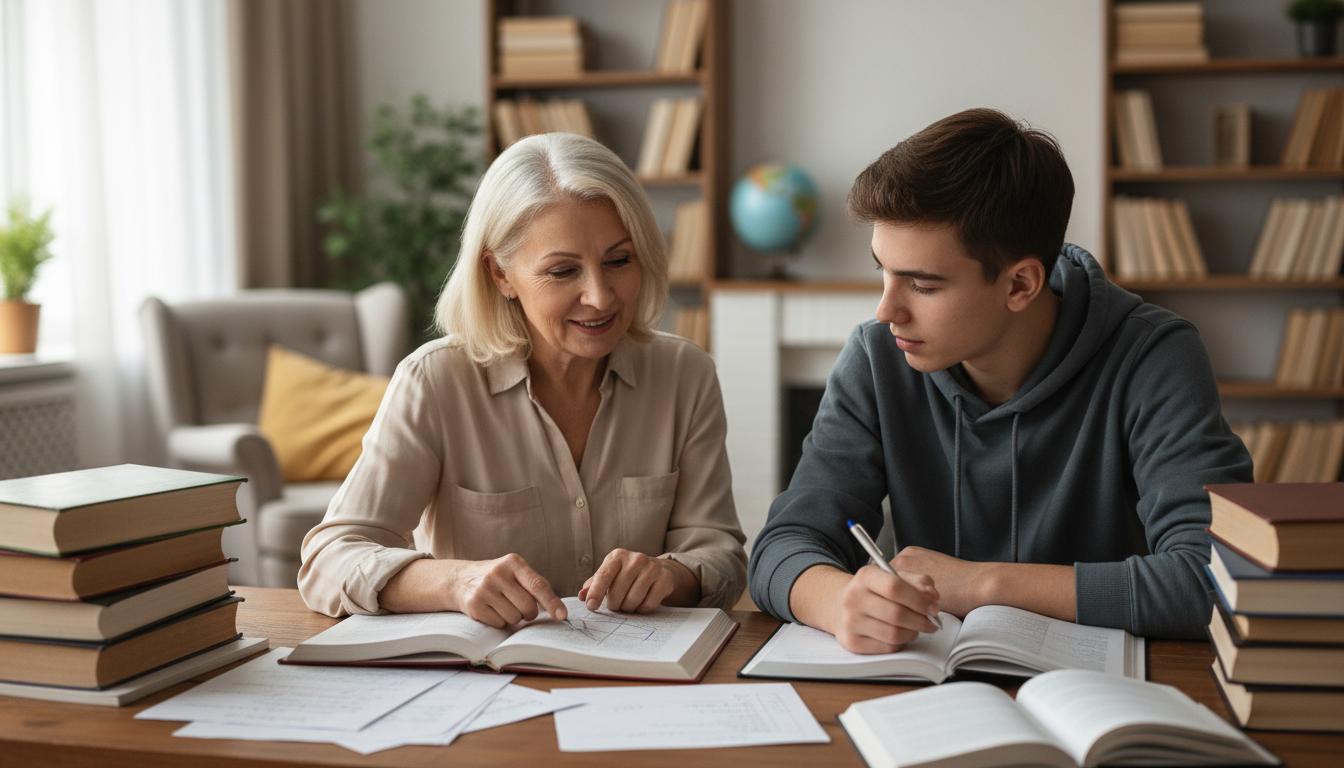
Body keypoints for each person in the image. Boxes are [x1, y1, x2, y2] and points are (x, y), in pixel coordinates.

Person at [747, 108, 1251, 651]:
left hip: (1102, 698)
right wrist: (839, 600)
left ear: (1020, 285)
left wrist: (984, 583)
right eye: (883, 271)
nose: (887, 310)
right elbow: (782, 546)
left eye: (922, 284)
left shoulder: (1154, 356)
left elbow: (1213, 578)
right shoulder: (877, 358)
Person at [299, 133, 746, 625]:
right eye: (562, 272)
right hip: (477, 683)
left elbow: (719, 552)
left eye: (619, 261)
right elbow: (328, 560)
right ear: (500, 275)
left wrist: (669, 575)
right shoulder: (435, 382)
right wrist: (454, 581)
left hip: (639, 681)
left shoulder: (686, 375)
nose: (600, 297)